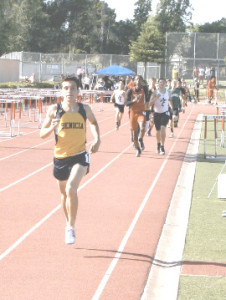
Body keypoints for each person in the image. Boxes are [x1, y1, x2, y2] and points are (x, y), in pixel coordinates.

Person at [40, 76, 101, 245]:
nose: (69, 91)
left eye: (73, 88)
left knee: (71, 188)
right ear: (61, 91)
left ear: (78, 91)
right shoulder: (54, 110)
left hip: (80, 156)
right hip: (60, 157)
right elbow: (42, 134)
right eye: (66, 88)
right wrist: (52, 126)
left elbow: (94, 123)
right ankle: (68, 223)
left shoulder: (84, 109)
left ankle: (70, 226)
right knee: (63, 194)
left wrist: (97, 139)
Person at [125, 75, 148, 157]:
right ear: (134, 81)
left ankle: (141, 139)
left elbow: (147, 90)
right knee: (134, 137)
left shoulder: (144, 89)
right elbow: (126, 103)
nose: (138, 81)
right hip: (133, 113)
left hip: (141, 112)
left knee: (142, 127)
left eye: (140, 79)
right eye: (136, 79)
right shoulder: (130, 91)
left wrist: (143, 83)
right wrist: (133, 101)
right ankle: (138, 149)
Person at [149, 78, 172, 155]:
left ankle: (162, 146)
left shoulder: (168, 93)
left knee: (163, 128)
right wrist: (156, 98)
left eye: (163, 83)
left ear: (165, 84)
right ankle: (158, 144)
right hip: (156, 113)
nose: (161, 84)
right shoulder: (155, 92)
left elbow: (170, 101)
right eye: (160, 82)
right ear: (158, 84)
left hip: (165, 113)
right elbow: (149, 103)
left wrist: (173, 110)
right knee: (158, 131)